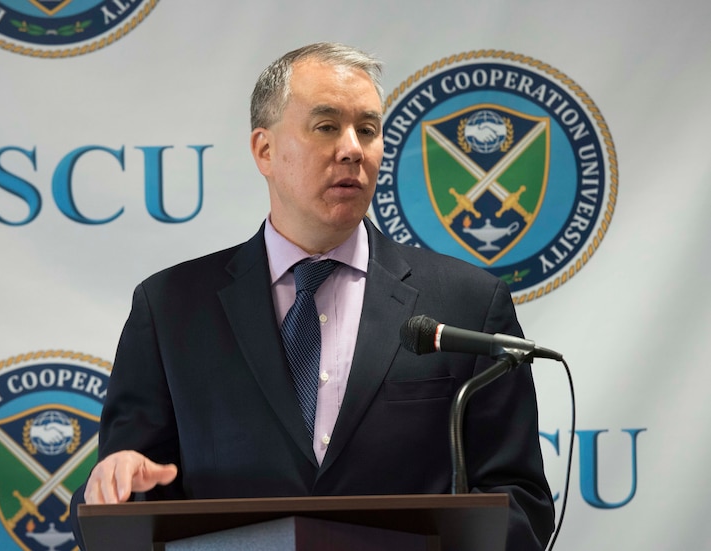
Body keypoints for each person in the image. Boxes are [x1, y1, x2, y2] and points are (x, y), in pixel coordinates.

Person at [71, 42, 554, 550]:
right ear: (265, 150)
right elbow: (120, 503)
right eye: (326, 126)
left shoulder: (466, 302)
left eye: (367, 130)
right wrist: (117, 486)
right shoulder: (170, 307)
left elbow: (520, 501)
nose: (352, 149)